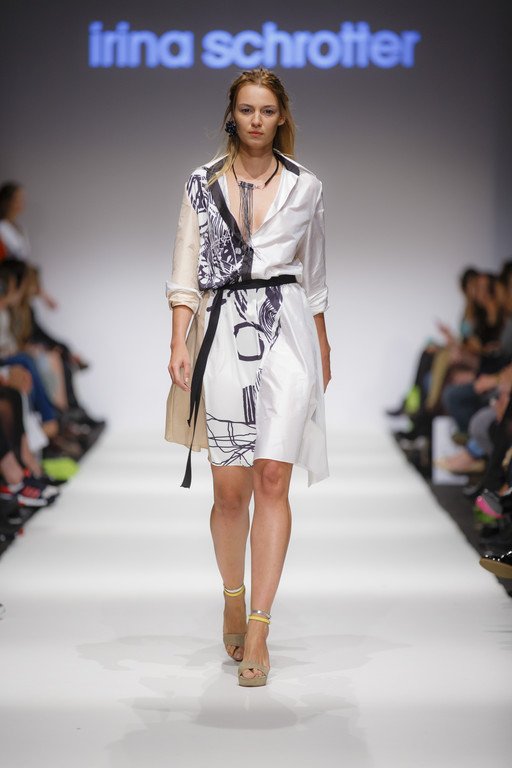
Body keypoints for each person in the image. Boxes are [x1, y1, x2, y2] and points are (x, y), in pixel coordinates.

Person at [165, 67, 331, 687]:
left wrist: (323, 345)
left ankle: (259, 626)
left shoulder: (306, 186)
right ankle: (231, 595)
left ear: (281, 116)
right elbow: (185, 270)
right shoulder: (201, 183)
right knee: (230, 492)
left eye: (266, 110)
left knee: (274, 478)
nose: (256, 120)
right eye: (246, 109)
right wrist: (178, 341)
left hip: (287, 333)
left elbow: (315, 274)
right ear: (231, 115)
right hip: (221, 335)